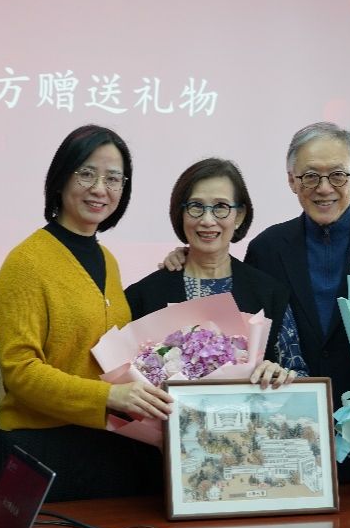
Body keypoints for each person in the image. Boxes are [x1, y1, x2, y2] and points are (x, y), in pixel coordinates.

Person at [163, 122, 350, 479]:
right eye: (310, 176)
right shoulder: (268, 248)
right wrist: (187, 258)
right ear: (292, 181)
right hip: (287, 443)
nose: (324, 188)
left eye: (337, 175)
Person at [0, 124, 173, 502]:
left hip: (105, 445)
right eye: (87, 173)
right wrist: (108, 397)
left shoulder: (108, 260)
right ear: (61, 179)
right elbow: (20, 372)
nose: (100, 188)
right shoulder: (26, 262)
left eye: (113, 178)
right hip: (40, 449)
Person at [126, 157, 308, 387]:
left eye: (221, 207)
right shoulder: (143, 295)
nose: (207, 220)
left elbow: (300, 376)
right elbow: (124, 383)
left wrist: (279, 375)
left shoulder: (269, 294)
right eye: (196, 206)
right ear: (181, 213)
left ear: (239, 215)